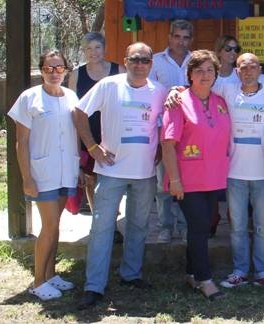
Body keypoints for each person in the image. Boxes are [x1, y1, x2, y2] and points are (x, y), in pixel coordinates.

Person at [74, 43, 166, 310]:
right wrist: (92, 147)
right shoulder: (108, 85)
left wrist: (159, 148)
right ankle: (94, 287)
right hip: (111, 170)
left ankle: (131, 274)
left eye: (145, 60)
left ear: (151, 64)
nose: (140, 64)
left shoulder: (158, 91)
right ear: (125, 60)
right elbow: (79, 112)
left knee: (138, 226)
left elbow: (162, 125)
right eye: (135, 59)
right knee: (102, 228)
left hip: (144, 172)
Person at [8, 50, 80, 301]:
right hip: (43, 173)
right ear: (41, 71)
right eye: (48, 69)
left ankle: (51, 274)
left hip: (66, 171)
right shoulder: (29, 98)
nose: (54, 73)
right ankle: (38, 281)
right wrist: (27, 178)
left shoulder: (71, 96)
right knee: (48, 226)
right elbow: (21, 142)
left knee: (55, 225)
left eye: (58, 68)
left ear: (66, 70)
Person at [160, 50, 231, 300]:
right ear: (189, 74)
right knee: (199, 226)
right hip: (187, 180)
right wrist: (175, 180)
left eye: (209, 70)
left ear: (216, 74)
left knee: (201, 226)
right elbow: (168, 144)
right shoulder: (178, 101)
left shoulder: (220, 101)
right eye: (199, 70)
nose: (204, 75)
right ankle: (205, 279)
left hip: (214, 178)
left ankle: (191, 273)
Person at [214, 53, 264, 290]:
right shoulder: (226, 90)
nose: (248, 71)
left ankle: (263, 272)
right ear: (236, 71)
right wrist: (174, 92)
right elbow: (197, 89)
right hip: (234, 171)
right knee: (238, 226)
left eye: (253, 66)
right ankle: (240, 271)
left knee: (263, 226)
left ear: (260, 69)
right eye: (243, 67)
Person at [68, 32, 124, 216]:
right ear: (84, 51)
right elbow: (72, 107)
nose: (94, 52)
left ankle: (113, 219)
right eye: (89, 49)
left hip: (113, 133)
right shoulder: (77, 74)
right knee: (91, 179)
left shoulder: (120, 70)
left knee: (113, 179)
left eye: (97, 47)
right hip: (88, 133)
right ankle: (97, 216)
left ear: (104, 48)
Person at [150, 19, 193, 243]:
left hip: (190, 132)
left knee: (186, 182)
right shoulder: (156, 62)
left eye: (185, 37)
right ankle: (165, 226)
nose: (180, 41)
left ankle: (185, 226)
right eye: (177, 36)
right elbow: (149, 95)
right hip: (162, 130)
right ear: (169, 37)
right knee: (162, 183)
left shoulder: (196, 61)